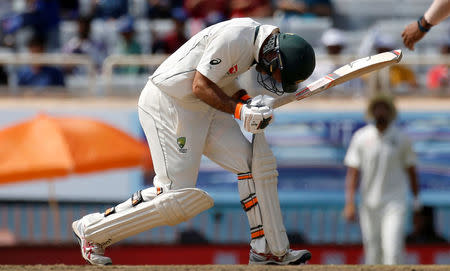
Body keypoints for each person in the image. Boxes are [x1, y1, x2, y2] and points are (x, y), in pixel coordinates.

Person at [72, 17, 316, 266]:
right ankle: (92, 230)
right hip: (170, 103)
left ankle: (268, 250)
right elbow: (200, 85)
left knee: (255, 165)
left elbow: (223, 80)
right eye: (275, 71)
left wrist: (246, 102)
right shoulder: (237, 37)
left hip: (203, 106)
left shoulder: (253, 45)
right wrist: (241, 111)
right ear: (275, 54)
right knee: (175, 196)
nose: (270, 75)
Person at [343, 95, 421, 265]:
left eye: (384, 108)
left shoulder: (401, 138)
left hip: (395, 203)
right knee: (372, 252)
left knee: (392, 251)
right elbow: (353, 173)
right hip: (369, 204)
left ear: (390, 112)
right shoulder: (361, 137)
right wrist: (349, 203)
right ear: (372, 112)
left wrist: (416, 203)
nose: (380, 111)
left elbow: (412, 172)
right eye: (377, 108)